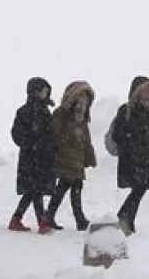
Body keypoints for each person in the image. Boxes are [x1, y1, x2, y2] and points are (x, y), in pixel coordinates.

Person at [9, 77, 58, 233]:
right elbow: (17, 134)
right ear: (35, 92)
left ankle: (16, 219)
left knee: (32, 192)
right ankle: (42, 223)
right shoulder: (25, 112)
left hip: (42, 158)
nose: (46, 94)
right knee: (36, 191)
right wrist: (32, 143)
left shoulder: (45, 112)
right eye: (43, 91)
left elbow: (50, 134)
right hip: (31, 158)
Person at [113, 76, 149, 235]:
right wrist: (131, 142)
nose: (148, 97)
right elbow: (118, 134)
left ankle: (128, 218)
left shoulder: (147, 113)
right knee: (139, 187)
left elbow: (147, 135)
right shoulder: (126, 110)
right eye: (146, 93)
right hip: (131, 158)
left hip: (144, 157)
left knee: (141, 188)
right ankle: (125, 217)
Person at [47, 81, 96, 231]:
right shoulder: (62, 113)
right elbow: (55, 133)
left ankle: (52, 215)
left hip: (77, 159)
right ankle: (76, 218)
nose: (83, 102)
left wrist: (89, 156)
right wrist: (69, 137)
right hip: (66, 157)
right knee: (69, 186)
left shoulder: (82, 117)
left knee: (70, 187)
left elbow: (86, 139)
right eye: (81, 97)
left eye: (86, 99)